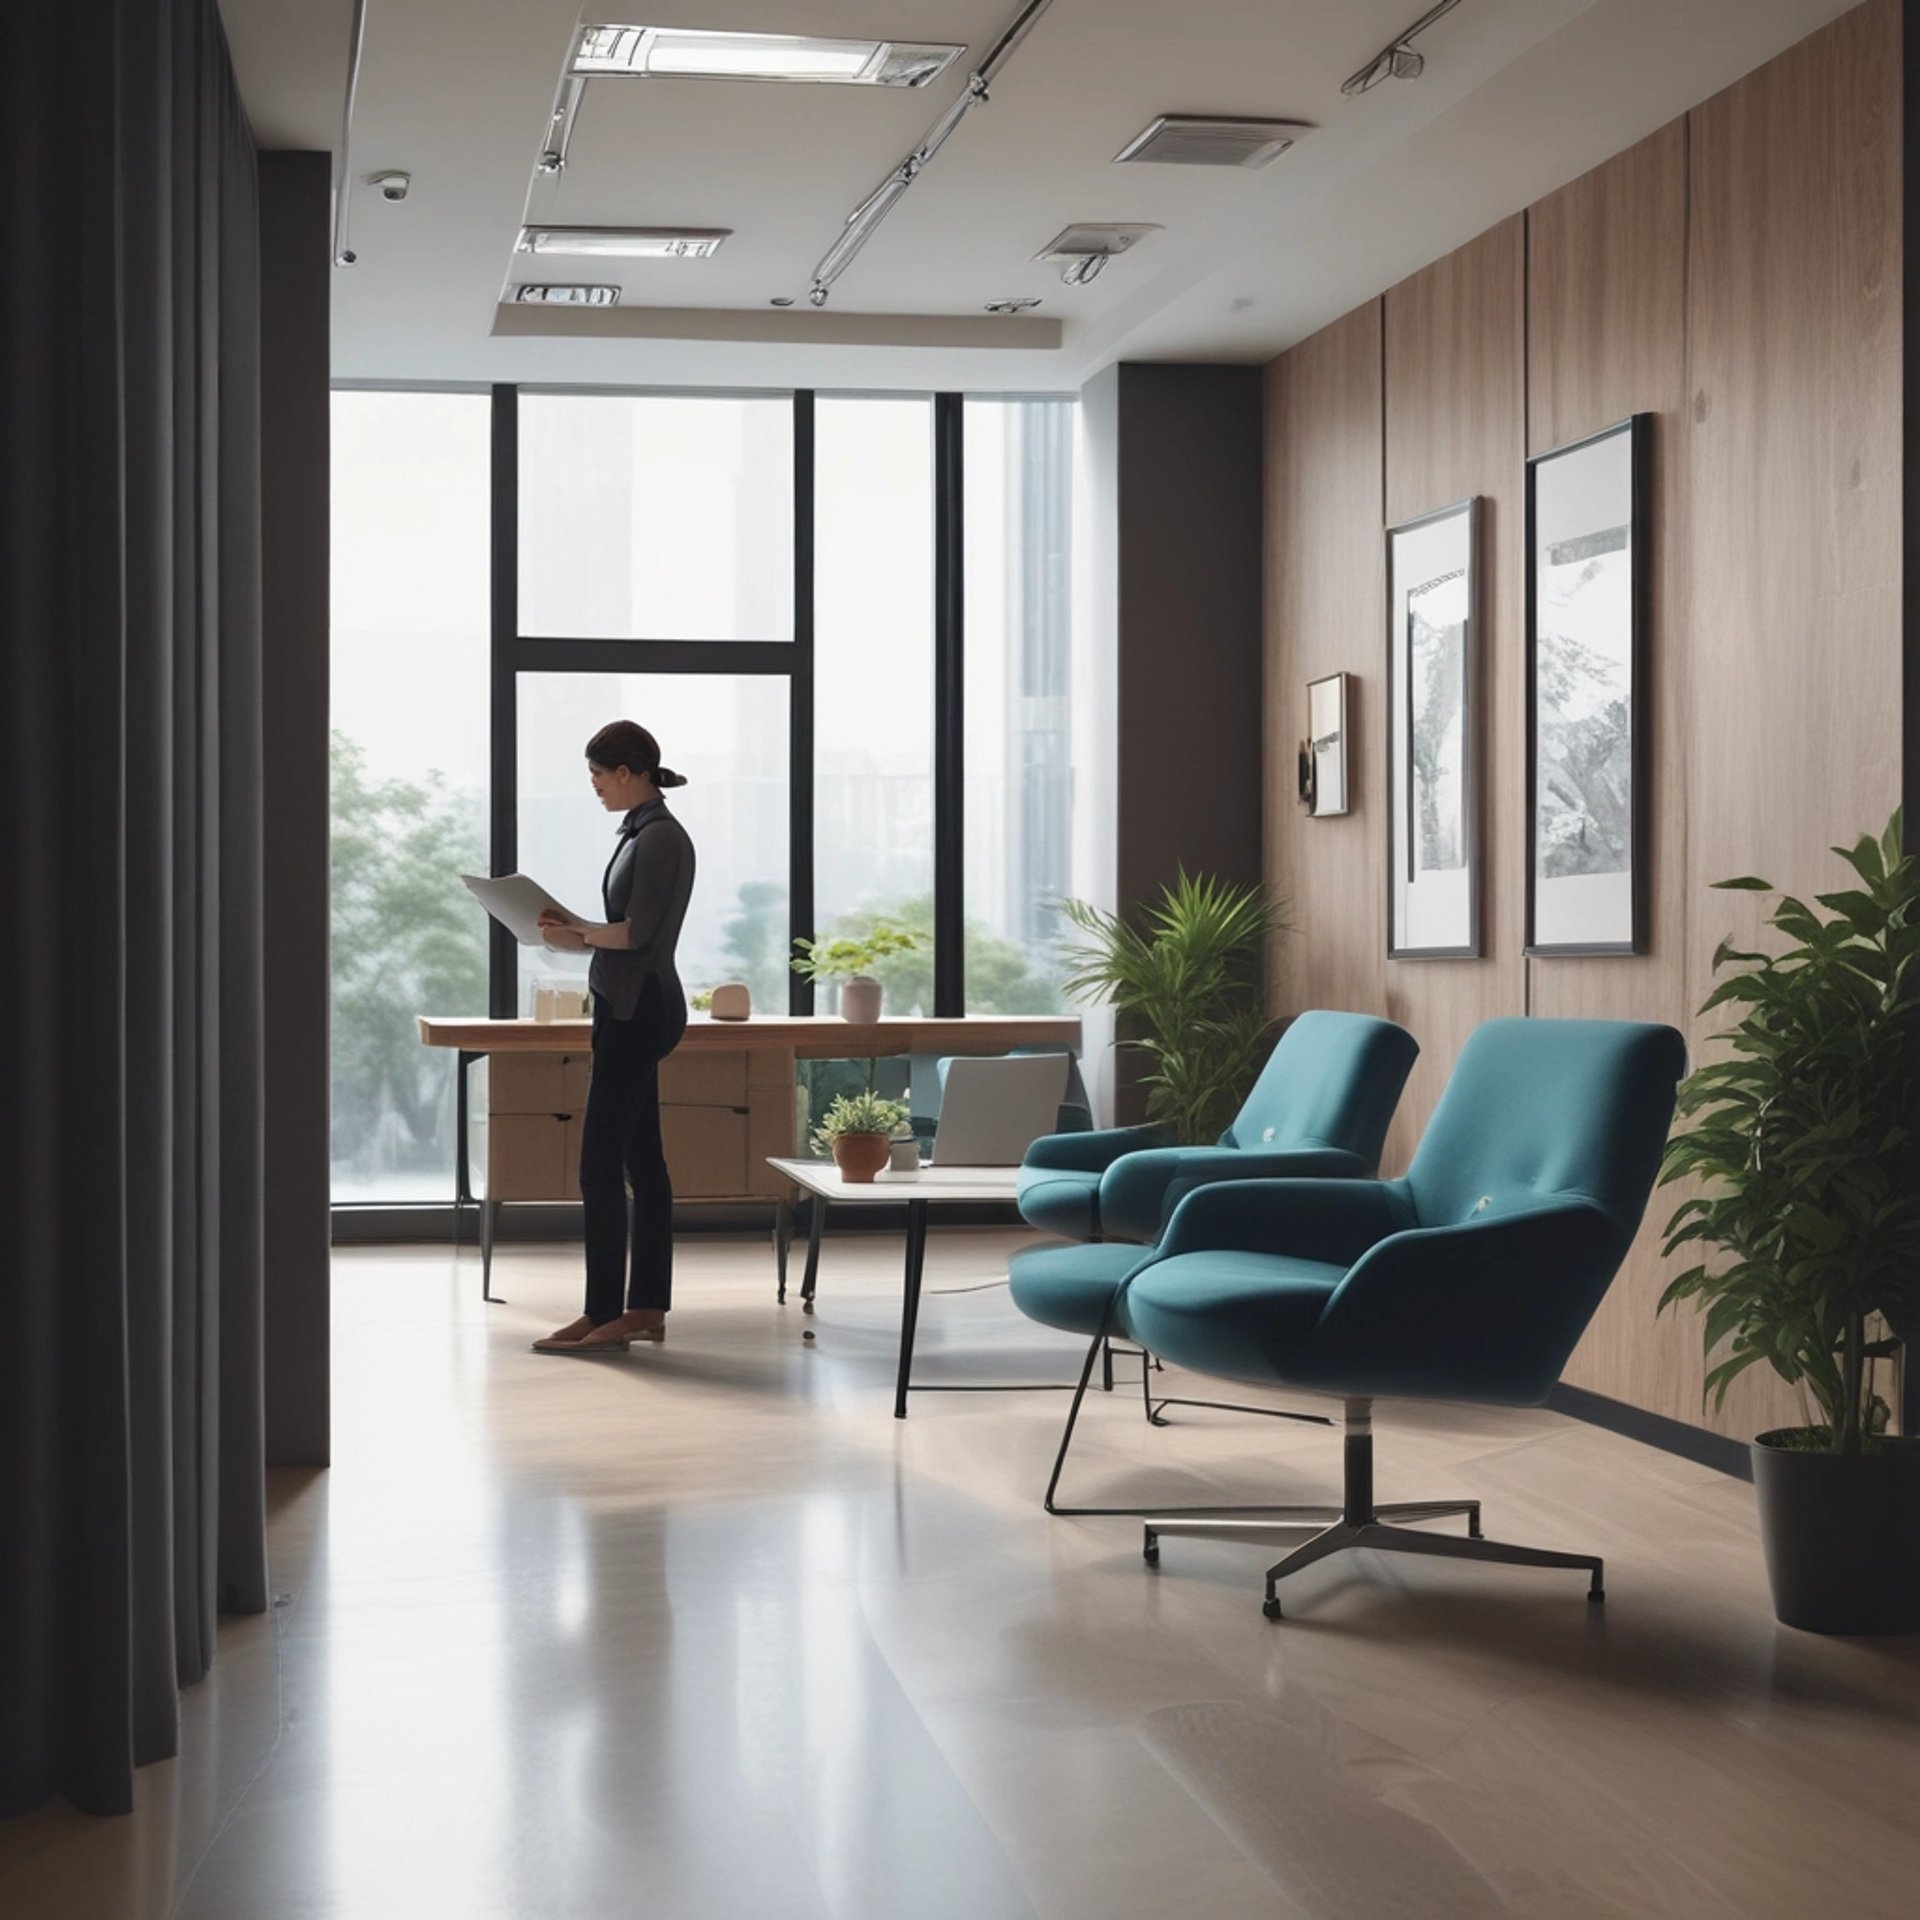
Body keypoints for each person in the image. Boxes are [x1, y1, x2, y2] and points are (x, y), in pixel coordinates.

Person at [531, 721, 695, 1355]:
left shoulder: (659, 839)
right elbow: (622, 927)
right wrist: (570, 926)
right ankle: (642, 1305)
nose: (595, 786)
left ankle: (603, 1313)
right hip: (624, 1005)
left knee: (600, 1165)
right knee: (641, 1162)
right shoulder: (642, 833)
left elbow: (636, 934)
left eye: (599, 774)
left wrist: (576, 936)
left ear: (628, 772)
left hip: (638, 1010)